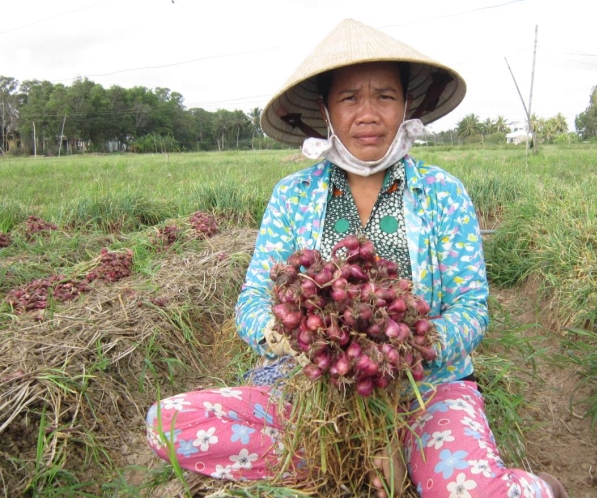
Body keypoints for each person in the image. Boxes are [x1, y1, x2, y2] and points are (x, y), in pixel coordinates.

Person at [145, 18, 568, 498]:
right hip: (311, 388)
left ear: (405, 106)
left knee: (471, 491)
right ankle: (339, 458)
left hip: (426, 389)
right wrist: (286, 341)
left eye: (384, 96)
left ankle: (532, 486)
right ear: (325, 109)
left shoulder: (443, 193)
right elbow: (254, 299)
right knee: (168, 424)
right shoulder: (293, 195)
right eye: (349, 98)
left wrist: (398, 358)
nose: (368, 114)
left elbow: (471, 308)